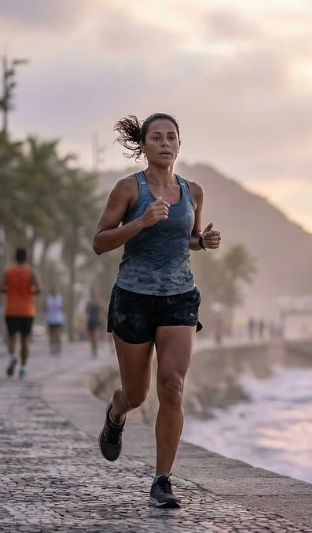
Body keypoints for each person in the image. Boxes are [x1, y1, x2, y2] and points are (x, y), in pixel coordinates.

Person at [93, 113, 222, 508]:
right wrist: (140, 223)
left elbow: (190, 240)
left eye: (171, 137)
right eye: (157, 137)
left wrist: (205, 240)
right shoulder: (128, 190)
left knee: (172, 385)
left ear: (179, 145)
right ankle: (116, 414)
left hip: (179, 297)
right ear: (144, 146)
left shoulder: (192, 191)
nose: (165, 143)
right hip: (133, 297)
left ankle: (162, 481)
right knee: (136, 392)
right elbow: (99, 242)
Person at [0, 248, 42, 379]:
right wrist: (29, 292)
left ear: (15, 257)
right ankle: (23, 368)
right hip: (27, 310)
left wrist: (9, 290)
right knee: (24, 340)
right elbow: (39, 288)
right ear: (26, 257)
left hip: (11, 309)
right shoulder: (31, 272)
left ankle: (13, 356)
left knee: (12, 336)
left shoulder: (8, 271)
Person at [85, 289, 105, 358]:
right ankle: (93, 349)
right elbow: (86, 311)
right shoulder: (89, 302)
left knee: (96, 335)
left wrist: (102, 317)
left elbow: (103, 310)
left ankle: (95, 350)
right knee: (91, 336)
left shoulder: (99, 302)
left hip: (96, 320)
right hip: (91, 320)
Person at [45, 287, 64, 356]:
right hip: (50, 319)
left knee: (58, 334)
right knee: (51, 335)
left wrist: (62, 306)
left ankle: (58, 348)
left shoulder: (60, 298)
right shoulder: (48, 298)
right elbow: (45, 307)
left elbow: (64, 306)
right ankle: (52, 348)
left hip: (58, 319)